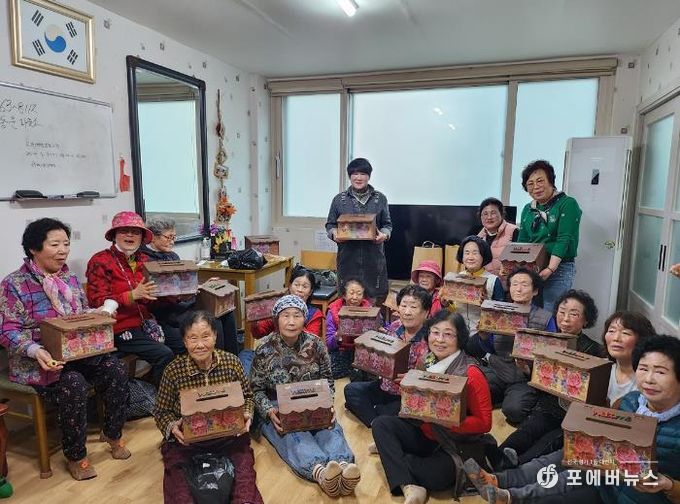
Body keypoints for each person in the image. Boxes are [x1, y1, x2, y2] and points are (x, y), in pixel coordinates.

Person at [465, 334, 680, 504]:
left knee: (565, 484)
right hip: (606, 481)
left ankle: (513, 497)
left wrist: (669, 485)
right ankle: (502, 482)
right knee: (565, 456)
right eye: (643, 369)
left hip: (635, 497)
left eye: (660, 372)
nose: (649, 379)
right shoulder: (630, 402)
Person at [0, 218, 130, 481]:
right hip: (38, 360)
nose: (63, 251)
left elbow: (79, 313)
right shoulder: (14, 283)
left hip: (76, 353)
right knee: (73, 383)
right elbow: (7, 330)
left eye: (66, 244)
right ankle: (76, 456)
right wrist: (35, 350)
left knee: (115, 368)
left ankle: (112, 434)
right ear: (34, 248)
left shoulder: (68, 277)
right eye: (55, 244)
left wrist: (98, 314)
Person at [372, 311, 493, 503]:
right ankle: (409, 485)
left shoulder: (471, 373)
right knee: (380, 425)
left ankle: (396, 459)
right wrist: (409, 389)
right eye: (435, 332)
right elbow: (418, 408)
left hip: (455, 443)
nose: (440, 340)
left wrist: (446, 420)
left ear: (460, 338)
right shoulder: (426, 361)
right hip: (426, 432)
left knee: (435, 476)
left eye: (448, 334)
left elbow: (484, 423)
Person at [249, 295, 360, 497]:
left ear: (304, 319)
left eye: (297, 315)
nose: (291, 322)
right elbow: (255, 389)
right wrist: (269, 411)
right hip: (277, 404)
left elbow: (327, 379)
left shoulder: (316, 344)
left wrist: (327, 404)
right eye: (286, 316)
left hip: (313, 399)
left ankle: (344, 468)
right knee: (294, 436)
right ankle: (321, 474)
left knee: (329, 427)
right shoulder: (264, 348)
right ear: (277, 319)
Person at [154, 311, 262, 504]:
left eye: (205, 336)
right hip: (188, 441)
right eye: (193, 338)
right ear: (184, 341)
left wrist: (247, 414)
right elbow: (161, 411)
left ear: (215, 336)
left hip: (228, 436)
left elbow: (247, 396)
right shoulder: (173, 370)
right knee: (177, 477)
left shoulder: (231, 362)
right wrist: (172, 427)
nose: (200, 345)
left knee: (244, 468)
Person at [495, 290, 605, 467]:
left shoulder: (595, 351)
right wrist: (526, 369)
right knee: (525, 432)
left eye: (574, 314)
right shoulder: (547, 342)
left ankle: (512, 470)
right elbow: (542, 381)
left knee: (545, 444)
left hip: (574, 415)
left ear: (586, 320)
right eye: (562, 312)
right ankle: (494, 460)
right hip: (548, 406)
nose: (565, 319)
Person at [86, 211, 174, 383]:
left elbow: (151, 299)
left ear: (142, 237)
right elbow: (96, 301)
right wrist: (131, 296)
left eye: (136, 232)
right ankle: (157, 397)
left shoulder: (145, 260)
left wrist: (176, 294)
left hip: (146, 323)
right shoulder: (100, 260)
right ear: (114, 235)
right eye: (124, 231)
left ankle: (165, 389)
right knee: (164, 354)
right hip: (118, 328)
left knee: (183, 340)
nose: (130, 235)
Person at [141, 218, 239, 356]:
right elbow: (157, 294)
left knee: (226, 313)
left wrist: (203, 285)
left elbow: (184, 283)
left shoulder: (172, 256)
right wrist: (180, 296)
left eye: (174, 237)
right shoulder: (145, 260)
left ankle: (232, 360)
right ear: (153, 237)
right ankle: (215, 363)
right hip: (168, 311)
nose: (172, 241)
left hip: (185, 304)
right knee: (213, 320)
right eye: (168, 237)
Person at [344, 285, 431, 428]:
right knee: (351, 390)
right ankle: (376, 421)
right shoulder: (395, 326)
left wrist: (413, 378)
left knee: (405, 411)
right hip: (384, 386)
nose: (407, 312)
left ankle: (375, 416)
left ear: (426, 312)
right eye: (403, 305)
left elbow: (429, 380)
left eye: (413, 307)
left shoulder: (430, 338)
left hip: (406, 395)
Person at [482, 268, 556, 425]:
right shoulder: (498, 312)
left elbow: (551, 356)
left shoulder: (545, 318)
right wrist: (483, 336)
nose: (518, 289)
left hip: (524, 377)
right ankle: (501, 396)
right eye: (514, 284)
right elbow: (489, 348)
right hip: (498, 369)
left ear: (535, 291)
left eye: (524, 284)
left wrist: (528, 369)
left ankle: (511, 398)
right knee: (472, 390)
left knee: (514, 410)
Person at [516, 160, 582, 312]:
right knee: (529, 311)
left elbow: (563, 238)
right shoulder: (528, 209)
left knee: (550, 312)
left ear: (551, 181)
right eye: (530, 183)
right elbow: (522, 241)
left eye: (540, 181)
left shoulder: (567, 204)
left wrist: (550, 268)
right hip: (533, 267)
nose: (535, 187)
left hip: (559, 268)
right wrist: (519, 269)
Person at [326, 158, 392, 303]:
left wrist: (384, 235)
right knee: (347, 300)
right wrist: (334, 233)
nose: (359, 177)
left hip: (373, 258)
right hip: (348, 258)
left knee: (372, 301)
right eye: (355, 174)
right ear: (350, 176)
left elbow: (387, 225)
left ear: (369, 176)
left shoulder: (380, 199)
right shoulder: (339, 200)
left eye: (363, 174)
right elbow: (330, 225)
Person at [451, 236, 505, 359]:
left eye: (475, 253)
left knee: (472, 347)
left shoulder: (493, 280)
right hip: (458, 332)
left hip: (482, 336)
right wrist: (446, 304)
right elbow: (454, 310)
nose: (470, 257)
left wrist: (486, 304)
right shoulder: (456, 278)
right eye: (466, 253)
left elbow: (501, 316)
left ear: (483, 256)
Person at [251, 267, 322, 339]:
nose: (299, 290)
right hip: (277, 345)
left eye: (305, 287)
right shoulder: (278, 307)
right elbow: (258, 334)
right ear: (290, 286)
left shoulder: (315, 314)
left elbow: (312, 340)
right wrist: (254, 323)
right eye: (296, 285)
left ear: (310, 291)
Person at [325, 277, 373, 379]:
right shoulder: (333, 311)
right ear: (344, 295)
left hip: (362, 351)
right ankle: (353, 371)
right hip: (342, 350)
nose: (355, 297)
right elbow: (329, 343)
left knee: (372, 372)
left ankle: (356, 371)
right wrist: (337, 335)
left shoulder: (370, 310)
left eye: (359, 294)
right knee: (331, 372)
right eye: (351, 293)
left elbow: (380, 328)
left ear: (363, 296)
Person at [477, 197, 519, 277]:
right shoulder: (479, 238)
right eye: (485, 214)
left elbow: (521, 262)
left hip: (508, 282)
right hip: (485, 282)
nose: (489, 217)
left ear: (501, 214)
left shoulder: (514, 231)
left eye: (493, 213)